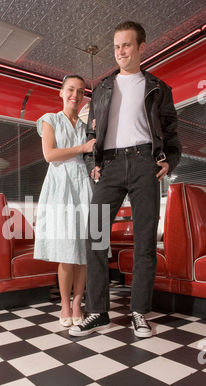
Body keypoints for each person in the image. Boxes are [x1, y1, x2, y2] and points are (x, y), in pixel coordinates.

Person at [69, 21, 182, 338]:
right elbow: (92, 134)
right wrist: (93, 162)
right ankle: (97, 312)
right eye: (117, 46)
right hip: (111, 166)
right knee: (96, 238)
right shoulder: (103, 88)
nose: (120, 51)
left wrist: (169, 162)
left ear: (142, 47)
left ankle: (139, 313)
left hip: (146, 162)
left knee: (145, 242)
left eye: (127, 45)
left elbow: (172, 135)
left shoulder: (158, 88)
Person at [34, 75, 96, 327]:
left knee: (84, 252)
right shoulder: (50, 119)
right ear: (61, 92)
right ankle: (64, 305)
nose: (75, 94)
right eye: (71, 89)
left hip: (84, 186)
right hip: (60, 187)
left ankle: (78, 304)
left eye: (80, 91)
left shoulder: (85, 127)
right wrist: (83, 148)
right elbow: (50, 154)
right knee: (66, 252)